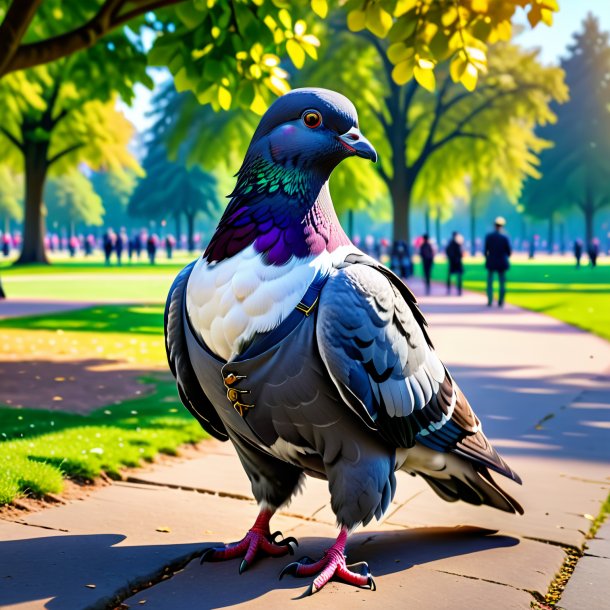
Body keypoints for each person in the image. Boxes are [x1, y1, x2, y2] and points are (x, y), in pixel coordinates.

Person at [484, 216, 512, 307]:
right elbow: (509, 251)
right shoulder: (505, 237)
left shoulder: (489, 236)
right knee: (502, 283)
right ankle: (501, 301)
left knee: (490, 282)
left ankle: (490, 300)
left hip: (491, 261)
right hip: (502, 262)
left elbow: (485, 251)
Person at [445, 231, 464, 295]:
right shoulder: (458, 243)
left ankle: (449, 289)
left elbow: (447, 251)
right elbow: (460, 253)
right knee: (459, 276)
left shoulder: (450, 243)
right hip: (457, 262)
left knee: (450, 276)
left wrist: (450, 258)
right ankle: (459, 290)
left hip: (452, 262)